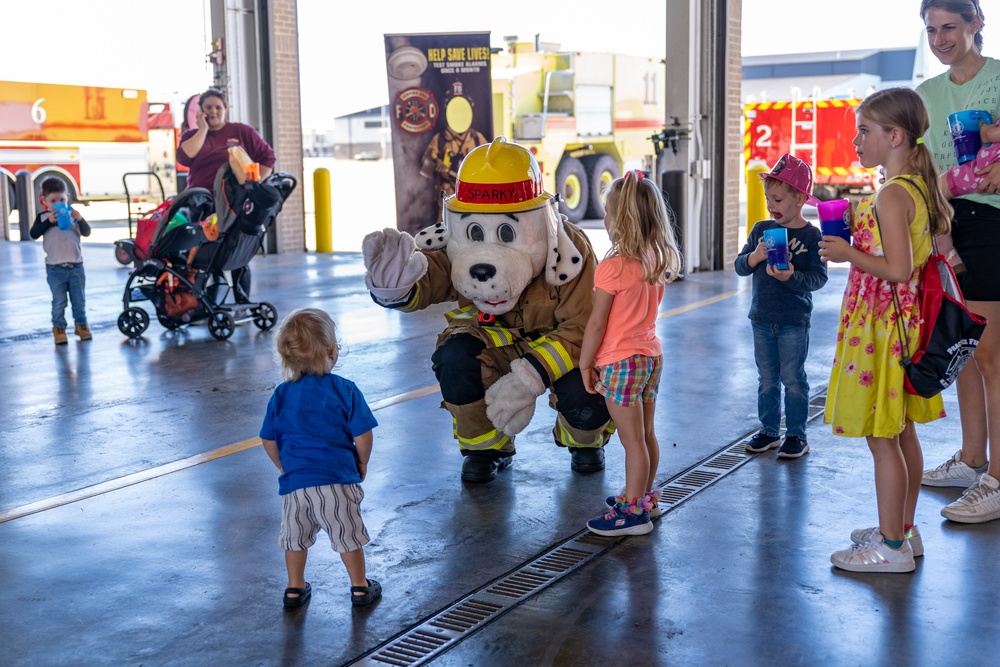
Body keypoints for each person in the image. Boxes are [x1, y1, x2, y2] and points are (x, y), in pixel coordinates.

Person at [820, 88, 951, 573]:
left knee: (882, 438)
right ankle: (904, 529)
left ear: (895, 136)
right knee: (902, 432)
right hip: (902, 325)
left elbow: (896, 269)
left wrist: (848, 253)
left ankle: (891, 549)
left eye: (865, 131)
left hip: (882, 330)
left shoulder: (894, 194)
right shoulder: (912, 187)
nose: (856, 141)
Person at [916, 0, 1000, 525]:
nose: (941, 38)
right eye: (931, 29)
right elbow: (922, 169)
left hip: (993, 222)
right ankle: (972, 460)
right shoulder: (926, 96)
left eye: (950, 27)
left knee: (993, 356)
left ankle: (998, 480)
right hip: (946, 226)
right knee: (966, 348)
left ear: (976, 25)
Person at [579, 170, 683, 536]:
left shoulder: (612, 268)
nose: (604, 220)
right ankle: (644, 497)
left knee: (631, 440)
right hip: (651, 357)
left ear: (620, 221)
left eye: (608, 213)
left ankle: (632, 514)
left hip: (620, 361)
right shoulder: (655, 257)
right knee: (647, 434)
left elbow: (596, 324)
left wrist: (584, 362)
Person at [259, 308, 382, 607]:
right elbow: (363, 434)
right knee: (347, 536)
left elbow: (267, 438)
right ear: (331, 352)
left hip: (295, 485)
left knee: (295, 538)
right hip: (336, 481)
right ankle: (360, 587)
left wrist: (284, 466)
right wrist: (362, 462)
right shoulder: (344, 390)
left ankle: (294, 588)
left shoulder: (281, 395)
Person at [735, 154, 828, 459]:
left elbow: (818, 278)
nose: (771, 205)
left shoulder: (812, 235)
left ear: (800, 198)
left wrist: (791, 276)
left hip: (793, 320)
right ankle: (769, 431)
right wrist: (755, 257)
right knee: (766, 379)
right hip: (761, 317)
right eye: (767, 198)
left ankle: (797, 435)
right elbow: (740, 267)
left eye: (777, 199)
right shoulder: (762, 229)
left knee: (793, 379)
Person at [176, 87, 276, 303]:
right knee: (204, 254)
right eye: (208, 107)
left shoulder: (241, 132)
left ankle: (242, 301)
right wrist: (202, 129)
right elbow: (186, 157)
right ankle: (206, 303)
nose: (213, 111)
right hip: (202, 203)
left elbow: (267, 157)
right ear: (200, 111)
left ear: (225, 109)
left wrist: (255, 186)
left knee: (235, 250)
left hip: (233, 204)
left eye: (218, 107)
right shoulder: (191, 135)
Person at [29, 177, 92, 345]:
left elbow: (87, 232)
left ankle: (81, 325)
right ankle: (58, 328)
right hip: (55, 268)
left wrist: (80, 219)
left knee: (79, 300)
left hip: (76, 266)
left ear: (68, 197)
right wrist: (49, 222)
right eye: (53, 201)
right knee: (59, 301)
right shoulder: (43, 217)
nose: (58, 203)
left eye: (62, 200)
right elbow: (33, 234)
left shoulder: (73, 215)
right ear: (44, 201)